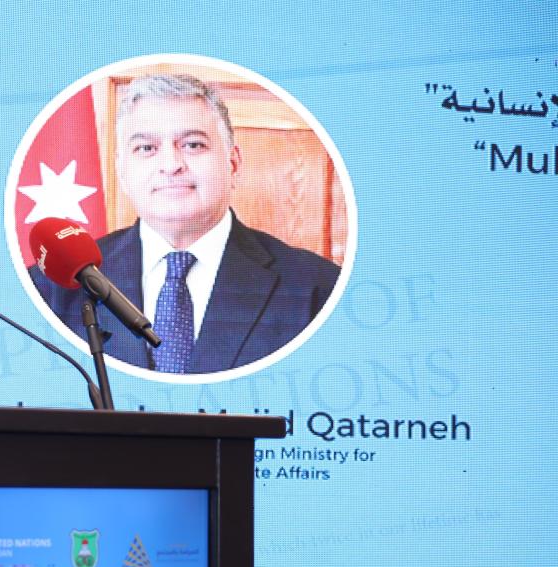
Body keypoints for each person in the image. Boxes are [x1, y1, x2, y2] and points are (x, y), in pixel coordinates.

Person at [32, 73, 340, 374]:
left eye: (193, 145)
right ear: (122, 172)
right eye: (146, 148)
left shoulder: (318, 289)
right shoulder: (51, 288)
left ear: (233, 164)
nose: (171, 165)